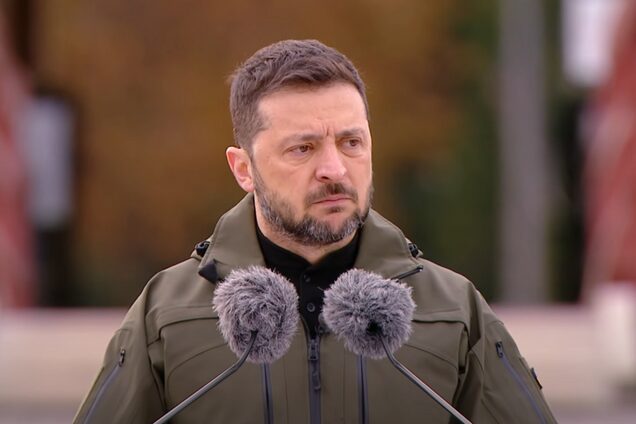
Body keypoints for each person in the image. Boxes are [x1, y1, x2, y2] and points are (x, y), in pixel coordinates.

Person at [74, 39, 556, 423]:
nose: (334, 169)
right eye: (302, 149)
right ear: (243, 169)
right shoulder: (166, 315)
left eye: (351, 142)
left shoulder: (452, 310)